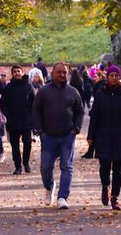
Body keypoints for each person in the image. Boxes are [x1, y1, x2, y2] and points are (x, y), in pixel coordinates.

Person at [32, 61, 84, 209]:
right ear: (52, 73)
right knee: (46, 167)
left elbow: (80, 111)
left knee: (66, 166)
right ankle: (49, 187)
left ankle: (63, 197)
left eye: (64, 72)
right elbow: (36, 111)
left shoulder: (73, 92)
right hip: (48, 136)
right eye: (59, 72)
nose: (62, 75)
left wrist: (76, 128)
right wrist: (39, 131)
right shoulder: (44, 91)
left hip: (67, 136)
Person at [88, 66, 121, 210]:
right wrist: (91, 136)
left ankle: (115, 197)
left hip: (120, 136)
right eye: (111, 75)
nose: (114, 77)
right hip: (103, 136)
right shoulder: (101, 94)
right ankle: (105, 185)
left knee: (119, 170)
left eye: (116, 75)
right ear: (107, 77)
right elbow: (94, 116)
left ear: (119, 78)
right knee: (105, 167)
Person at [0, 65, 35, 175]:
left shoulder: (28, 87)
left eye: (18, 71)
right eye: (14, 72)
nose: (16, 73)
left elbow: (34, 103)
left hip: (26, 120)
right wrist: (8, 115)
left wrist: (32, 117)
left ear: (22, 72)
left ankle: (26, 162)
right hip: (13, 120)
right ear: (12, 74)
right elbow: (3, 104)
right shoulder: (8, 88)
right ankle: (18, 165)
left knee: (28, 143)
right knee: (14, 145)